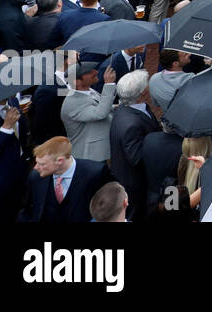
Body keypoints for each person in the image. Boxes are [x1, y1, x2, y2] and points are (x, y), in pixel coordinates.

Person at [20, 136, 114, 223]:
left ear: (60, 161)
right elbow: (27, 210)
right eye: (37, 162)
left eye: (42, 164)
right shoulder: (36, 177)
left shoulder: (96, 173)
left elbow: (111, 207)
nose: (36, 167)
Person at [108, 70, 159, 221]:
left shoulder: (126, 109)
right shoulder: (131, 125)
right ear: (143, 92)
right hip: (135, 184)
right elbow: (137, 159)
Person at [61, 62, 119, 162]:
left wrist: (116, 107)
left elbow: (98, 106)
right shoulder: (72, 103)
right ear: (77, 82)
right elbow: (100, 113)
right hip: (90, 156)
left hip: (99, 150)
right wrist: (108, 84)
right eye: (89, 72)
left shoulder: (89, 90)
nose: (95, 72)